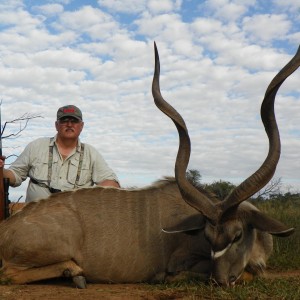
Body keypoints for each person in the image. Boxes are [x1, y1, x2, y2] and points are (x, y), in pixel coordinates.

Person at [0, 105, 120, 202]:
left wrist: (89, 199)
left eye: (74, 121)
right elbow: (14, 176)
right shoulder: (36, 146)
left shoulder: (91, 153)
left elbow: (112, 183)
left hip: (74, 223)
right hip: (34, 222)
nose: (69, 124)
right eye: (64, 120)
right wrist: (1, 169)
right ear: (56, 125)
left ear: (81, 126)